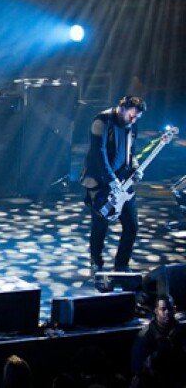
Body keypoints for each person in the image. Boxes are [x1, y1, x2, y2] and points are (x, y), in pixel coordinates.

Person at [80, 95, 146, 274]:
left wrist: (135, 166)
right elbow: (98, 154)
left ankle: (122, 265)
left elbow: (131, 150)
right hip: (101, 181)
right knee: (100, 225)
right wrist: (111, 180)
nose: (133, 120)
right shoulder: (102, 121)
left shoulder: (131, 124)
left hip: (124, 182)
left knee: (131, 226)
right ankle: (96, 263)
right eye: (131, 116)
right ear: (122, 108)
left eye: (136, 118)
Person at [131, 295, 186, 380]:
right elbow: (137, 368)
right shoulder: (145, 336)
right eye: (163, 309)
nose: (167, 312)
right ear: (156, 311)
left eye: (170, 309)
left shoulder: (180, 331)